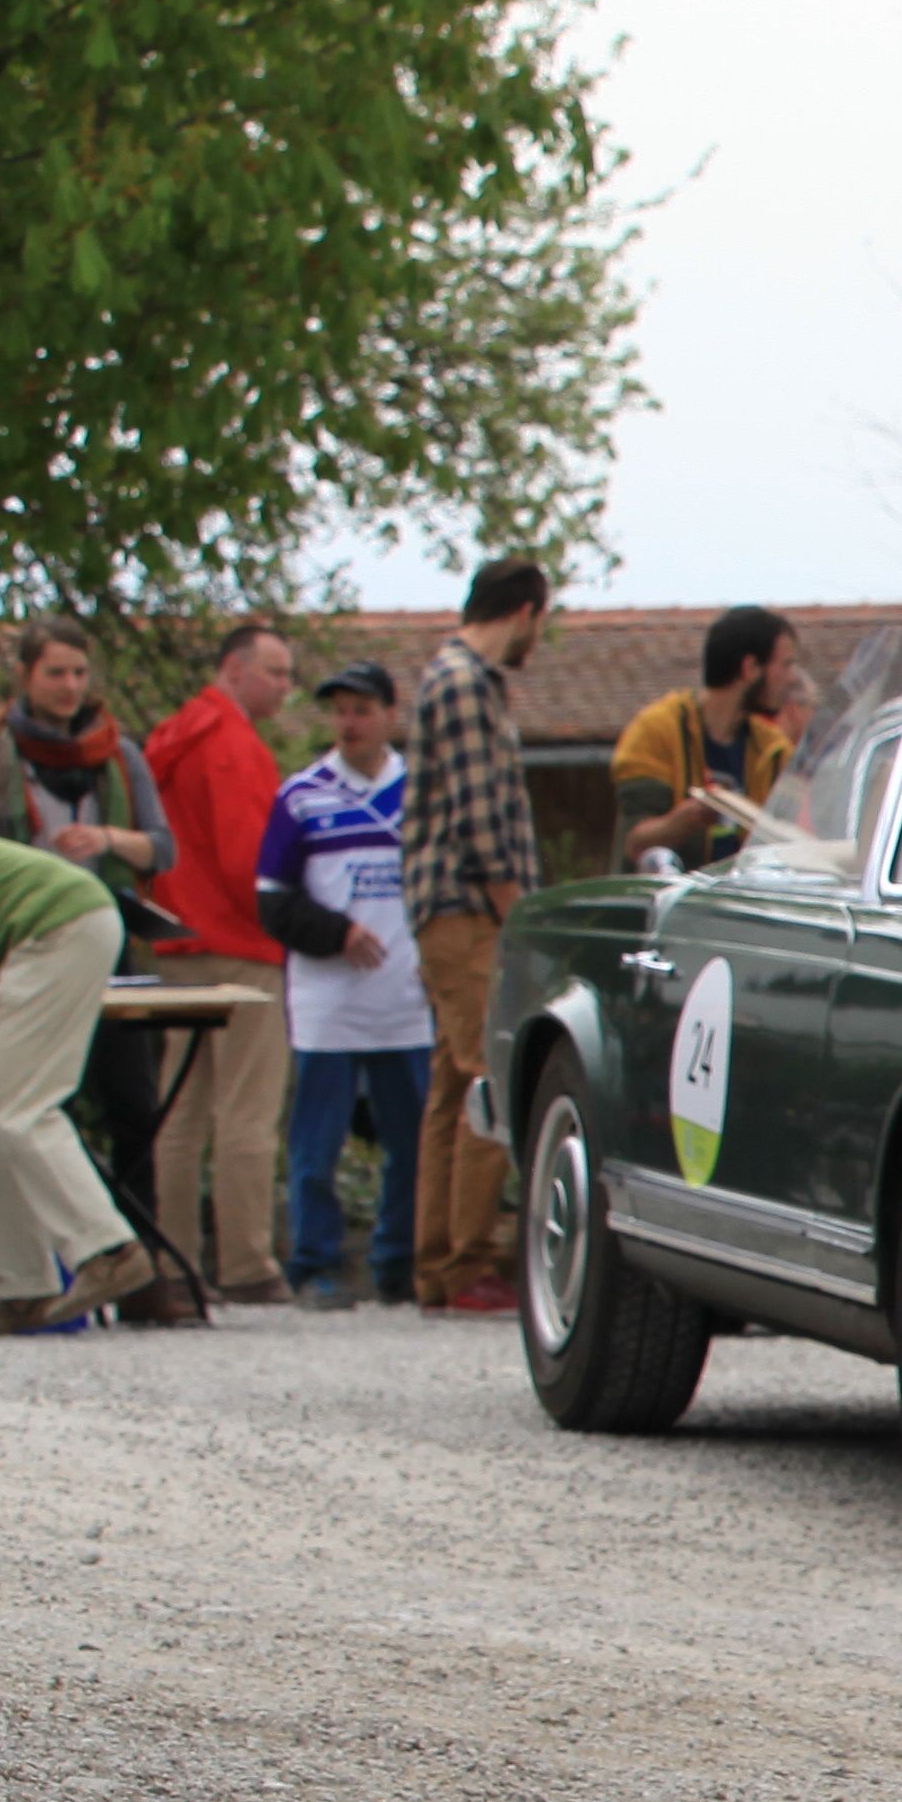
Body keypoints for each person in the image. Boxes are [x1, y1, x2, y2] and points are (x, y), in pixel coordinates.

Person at [0, 622, 188, 1311]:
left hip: (109, 938)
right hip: (26, 949)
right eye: (56, 673)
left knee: (132, 1106)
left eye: (79, 673)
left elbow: (163, 850)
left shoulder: (117, 756)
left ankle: (141, 1272)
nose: (70, 687)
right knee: (31, 1107)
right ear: (27, 676)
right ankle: (63, 1267)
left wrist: (107, 839)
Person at [0, 825, 155, 1332]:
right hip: (49, 930)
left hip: (58, 926)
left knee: (20, 1113)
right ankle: (20, 1289)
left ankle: (109, 1249)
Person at [401, 557, 552, 1317]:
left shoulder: (452, 677)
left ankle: (434, 1262)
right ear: (525, 611)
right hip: (468, 908)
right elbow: (480, 816)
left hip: (445, 908)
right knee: (489, 1069)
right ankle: (468, 1262)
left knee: (451, 1086)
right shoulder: (464, 684)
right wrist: (516, 912)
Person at [137, 618, 300, 1303]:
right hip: (239, 945)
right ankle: (247, 1265)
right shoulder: (232, 744)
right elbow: (246, 859)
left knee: (180, 1110)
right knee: (246, 1112)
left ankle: (174, 1260)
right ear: (234, 669)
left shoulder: (171, 739)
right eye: (275, 672)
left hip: (177, 940)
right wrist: (287, 918)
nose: (285, 688)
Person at [255, 665, 421, 1308]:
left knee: (408, 1139)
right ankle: (315, 1262)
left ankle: (397, 1261)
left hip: (405, 998)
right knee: (315, 1141)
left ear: (388, 714)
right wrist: (337, 933)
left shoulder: (419, 792)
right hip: (328, 997)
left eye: (362, 710)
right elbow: (271, 900)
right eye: (341, 712)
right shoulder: (301, 796)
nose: (350, 723)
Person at [610, 606, 806, 866]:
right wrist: (682, 822)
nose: (792, 678)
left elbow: (794, 841)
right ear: (750, 668)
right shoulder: (655, 731)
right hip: (668, 900)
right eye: (786, 664)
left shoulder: (774, 750)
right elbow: (634, 843)